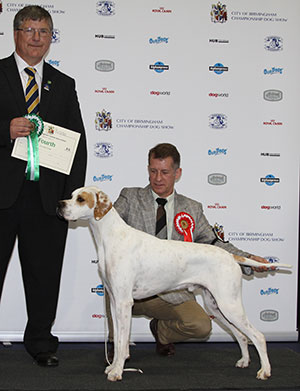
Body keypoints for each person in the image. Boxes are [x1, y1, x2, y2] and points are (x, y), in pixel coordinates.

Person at [106, 143, 272, 360]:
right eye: (153, 171)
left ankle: (162, 332)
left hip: (172, 290)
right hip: (134, 288)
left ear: (178, 173)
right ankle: (115, 343)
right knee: (114, 286)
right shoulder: (129, 197)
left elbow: (213, 242)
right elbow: (109, 227)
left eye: (164, 172)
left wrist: (248, 260)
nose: (157, 178)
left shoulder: (192, 208)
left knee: (201, 326)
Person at [0, 6, 87, 366]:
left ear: (51, 38)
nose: (36, 37)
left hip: (47, 199)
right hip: (1, 197)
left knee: (44, 276)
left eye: (43, 31)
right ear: (15, 33)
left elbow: (77, 144)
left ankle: (40, 343)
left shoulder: (63, 84)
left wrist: (70, 198)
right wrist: (4, 131)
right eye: (29, 30)